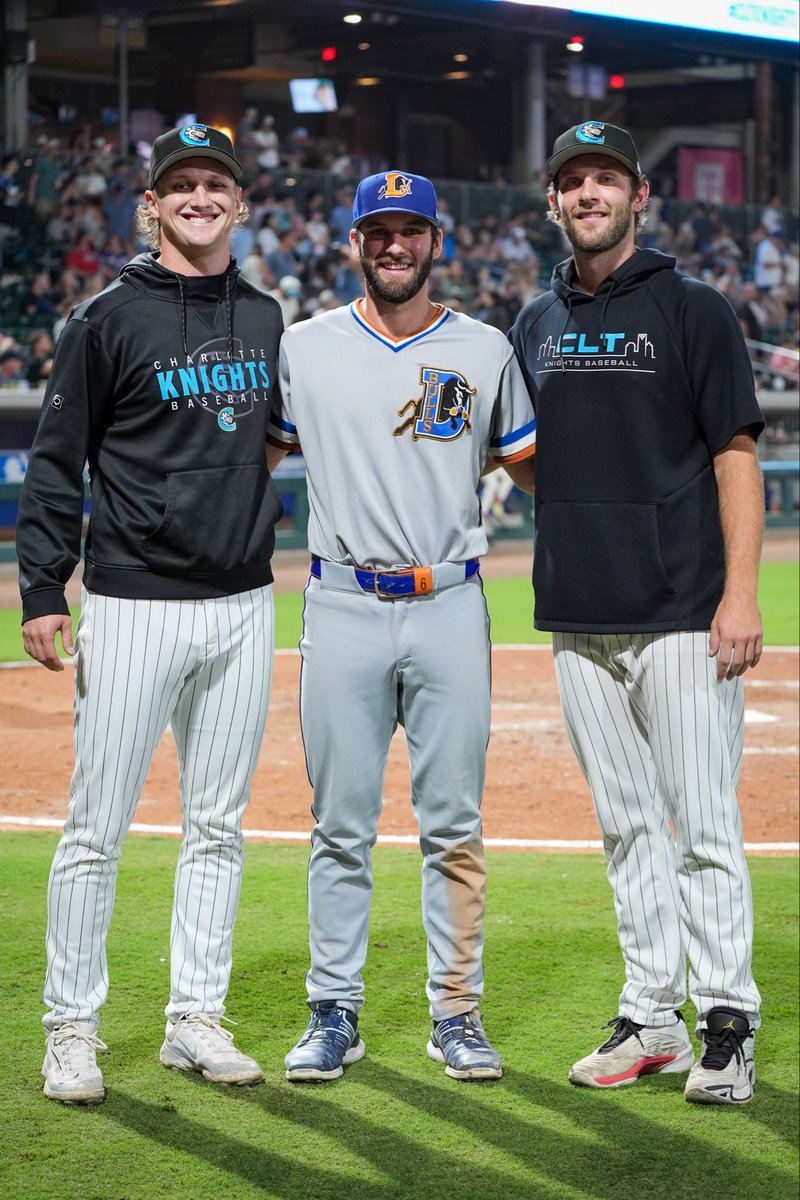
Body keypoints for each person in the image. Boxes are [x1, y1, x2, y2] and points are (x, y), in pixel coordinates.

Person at [16, 123, 284, 1106]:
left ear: (239, 201)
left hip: (244, 601)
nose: (201, 197)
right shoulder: (104, 319)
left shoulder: (263, 316)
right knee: (97, 827)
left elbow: (269, 446)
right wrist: (43, 587)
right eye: (183, 185)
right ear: (155, 204)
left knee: (217, 826)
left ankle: (193, 1021)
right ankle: (70, 1030)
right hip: (131, 601)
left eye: (216, 182)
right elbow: (56, 461)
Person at [509, 121, 765, 1105]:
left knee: (700, 823)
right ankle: (648, 1016)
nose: (586, 193)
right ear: (552, 201)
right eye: (570, 180)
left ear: (637, 194)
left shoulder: (692, 309)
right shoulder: (535, 322)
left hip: (680, 612)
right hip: (577, 612)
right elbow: (531, 460)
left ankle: (726, 1024)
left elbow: (733, 455)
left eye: (603, 178)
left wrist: (737, 592)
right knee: (624, 828)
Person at [267, 170, 535, 1083]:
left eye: (409, 231)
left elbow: (536, 466)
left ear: (436, 241)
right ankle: (333, 1009)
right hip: (340, 602)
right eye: (378, 231)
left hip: (451, 603)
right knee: (340, 824)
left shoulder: (487, 348)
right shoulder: (302, 347)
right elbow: (246, 457)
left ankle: (455, 1013)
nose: (394, 245)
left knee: (452, 823)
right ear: (354, 243)